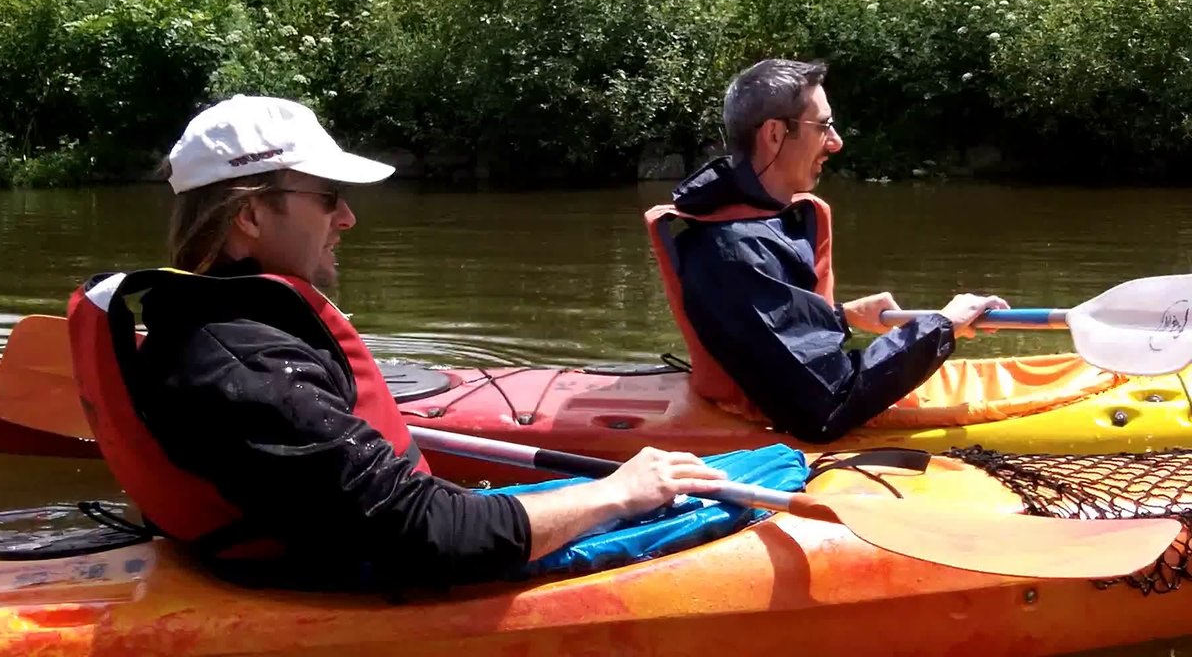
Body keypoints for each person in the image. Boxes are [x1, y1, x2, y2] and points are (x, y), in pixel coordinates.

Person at [66, 95, 728, 592]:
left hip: (313, 548)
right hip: (339, 578)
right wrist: (619, 490)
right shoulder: (242, 364)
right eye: (328, 198)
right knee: (676, 496)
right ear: (248, 214)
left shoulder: (229, 337)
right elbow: (426, 535)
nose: (347, 217)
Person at [645, 59, 1008, 444]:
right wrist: (943, 326)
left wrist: (841, 317)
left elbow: (766, 330)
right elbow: (827, 406)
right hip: (762, 428)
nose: (835, 142)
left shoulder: (757, 225)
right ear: (774, 134)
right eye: (823, 126)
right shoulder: (735, 250)